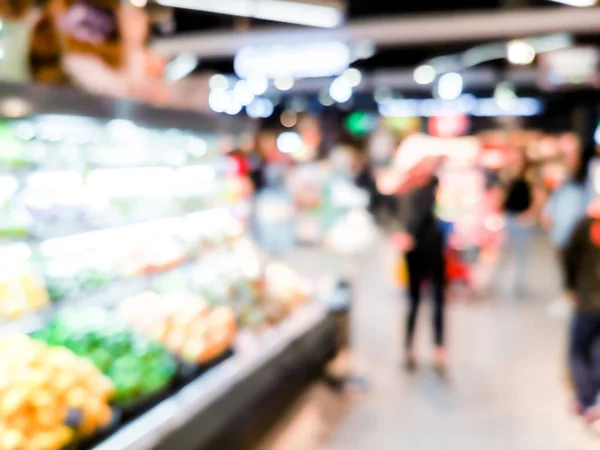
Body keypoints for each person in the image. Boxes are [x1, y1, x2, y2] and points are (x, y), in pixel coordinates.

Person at [394, 156, 446, 372]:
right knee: (414, 301)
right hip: (414, 252)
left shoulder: (429, 190)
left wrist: (408, 234)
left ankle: (438, 348)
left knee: (435, 301)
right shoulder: (406, 192)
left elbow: (420, 216)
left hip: (430, 250)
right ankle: (410, 348)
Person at [563, 200, 600, 422]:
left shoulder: (584, 225)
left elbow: (570, 257)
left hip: (587, 301)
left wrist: (570, 286)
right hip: (588, 299)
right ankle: (592, 400)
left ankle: (586, 400)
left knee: (578, 351)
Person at [543, 134, 589, 287]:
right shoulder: (561, 178)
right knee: (566, 269)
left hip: (581, 234)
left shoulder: (587, 178)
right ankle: (570, 296)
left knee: (580, 270)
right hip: (563, 233)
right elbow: (553, 202)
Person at [496, 149, 542, 296]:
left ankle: (519, 286)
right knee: (503, 252)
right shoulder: (507, 175)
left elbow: (538, 197)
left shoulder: (529, 176)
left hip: (522, 219)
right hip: (508, 217)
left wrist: (530, 214)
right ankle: (498, 283)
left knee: (520, 254)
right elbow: (501, 194)